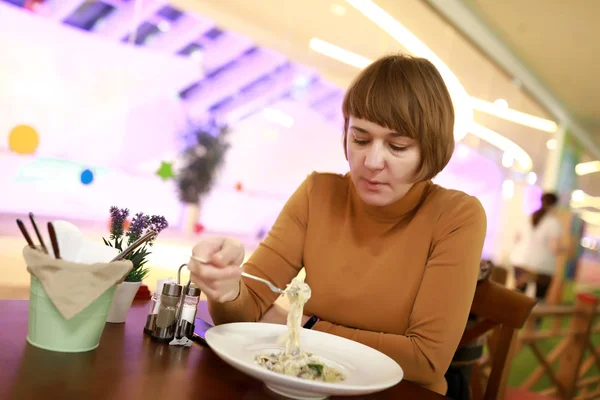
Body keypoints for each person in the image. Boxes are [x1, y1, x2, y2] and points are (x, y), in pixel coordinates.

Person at [188, 54, 487, 397]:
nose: (372, 162)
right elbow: (244, 313)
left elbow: (425, 360)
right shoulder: (319, 194)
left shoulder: (457, 216)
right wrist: (228, 290)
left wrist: (301, 325)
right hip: (307, 385)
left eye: (398, 146)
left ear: (430, 150)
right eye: (360, 139)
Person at [510, 192, 563, 301]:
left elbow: (516, 238)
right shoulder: (554, 223)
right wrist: (566, 249)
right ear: (555, 205)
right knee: (539, 300)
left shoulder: (527, 217)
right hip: (542, 267)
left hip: (520, 260)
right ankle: (535, 318)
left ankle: (509, 318)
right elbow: (554, 248)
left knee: (517, 298)